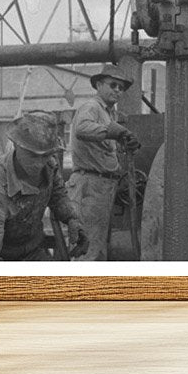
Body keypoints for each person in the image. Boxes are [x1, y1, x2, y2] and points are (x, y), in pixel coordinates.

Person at [0, 110, 87, 261]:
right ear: (16, 145)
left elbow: (58, 196)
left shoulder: (50, 165)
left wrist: (72, 219)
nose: (39, 164)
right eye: (33, 155)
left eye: (45, 155)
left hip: (31, 252)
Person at [68, 63, 141, 261]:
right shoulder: (92, 107)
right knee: (88, 249)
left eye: (121, 88)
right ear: (99, 85)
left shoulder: (109, 113)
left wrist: (123, 139)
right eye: (112, 85)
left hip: (102, 186)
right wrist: (112, 131)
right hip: (90, 185)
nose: (117, 90)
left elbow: (106, 147)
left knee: (97, 248)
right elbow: (82, 129)